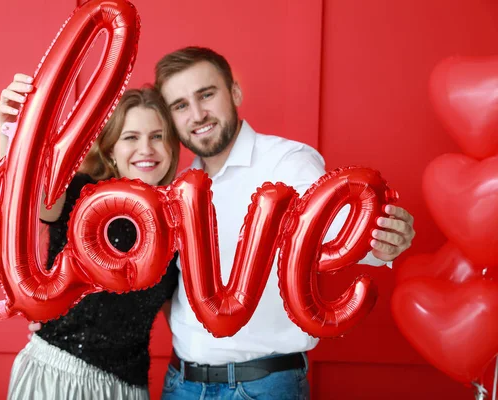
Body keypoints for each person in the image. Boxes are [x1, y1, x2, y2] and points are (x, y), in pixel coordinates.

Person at [153, 47, 416, 400]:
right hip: (181, 382)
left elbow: (340, 235)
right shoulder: (177, 184)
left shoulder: (288, 162)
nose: (198, 114)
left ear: (234, 93)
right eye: (180, 105)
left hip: (263, 386)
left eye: (206, 94)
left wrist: (385, 242)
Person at [0, 74, 181, 400]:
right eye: (131, 137)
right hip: (58, 379)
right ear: (110, 150)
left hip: (130, 389)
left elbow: (181, 317)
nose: (146, 149)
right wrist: (13, 128)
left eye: (157, 136)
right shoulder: (79, 192)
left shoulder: (177, 221)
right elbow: (23, 196)